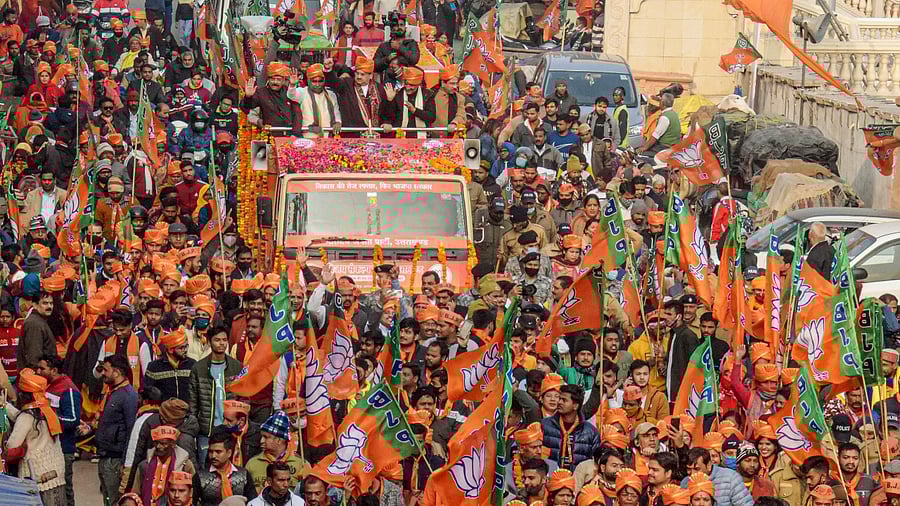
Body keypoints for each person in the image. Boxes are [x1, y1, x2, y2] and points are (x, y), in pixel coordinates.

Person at [2, 368, 67, 506]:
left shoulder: (27, 417)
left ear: (24, 395)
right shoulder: (46, 410)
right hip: (57, 476)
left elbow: (11, 446)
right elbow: (21, 417)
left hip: (38, 479)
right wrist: (4, 405)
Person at [189, 324, 243, 467]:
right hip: (206, 430)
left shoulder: (237, 367)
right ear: (209, 341)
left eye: (224, 340)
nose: (222, 343)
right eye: (217, 340)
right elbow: (193, 401)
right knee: (205, 468)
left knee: (232, 468)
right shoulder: (198, 368)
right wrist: (195, 426)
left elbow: (243, 396)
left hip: (230, 428)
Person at [36, 354, 82, 506]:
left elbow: (73, 420)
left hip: (64, 449)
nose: (37, 371)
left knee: (64, 489)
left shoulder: (69, 390)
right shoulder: (48, 386)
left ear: (54, 370)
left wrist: (46, 420)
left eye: (42, 368)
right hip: (51, 448)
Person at [96, 354, 140, 506]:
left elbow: (131, 431)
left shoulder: (129, 396)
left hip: (115, 459)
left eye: (106, 370)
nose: (103, 374)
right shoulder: (112, 392)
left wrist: (125, 463)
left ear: (116, 372)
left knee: (114, 500)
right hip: (105, 455)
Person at [129, 425, 196, 505]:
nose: (158, 446)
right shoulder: (144, 466)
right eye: (156, 443)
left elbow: (194, 492)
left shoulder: (186, 465)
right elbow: (135, 492)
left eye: (163, 443)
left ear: (173, 444)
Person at [246, 411, 308, 491]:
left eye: (266, 437)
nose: (261, 441)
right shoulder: (252, 464)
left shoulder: (300, 464)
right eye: (262, 436)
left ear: (279, 440)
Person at [195, 426, 258, 505]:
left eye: (218, 452)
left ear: (229, 453)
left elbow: (253, 501)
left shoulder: (244, 474)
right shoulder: (200, 476)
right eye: (211, 451)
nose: (213, 456)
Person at [683, 447, 754, 506]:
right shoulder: (685, 482)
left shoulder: (730, 478)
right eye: (689, 469)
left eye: (697, 469)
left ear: (708, 466)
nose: (692, 474)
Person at [18, 290, 56, 372]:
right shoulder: (34, 324)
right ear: (35, 305)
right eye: (45, 303)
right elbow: (33, 358)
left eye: (51, 303)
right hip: (36, 376)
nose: (49, 306)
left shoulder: (40, 320)